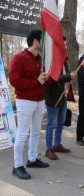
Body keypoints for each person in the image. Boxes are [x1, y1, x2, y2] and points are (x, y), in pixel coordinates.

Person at [9, 30, 51, 180]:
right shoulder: (18, 58)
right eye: (43, 41)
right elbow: (14, 81)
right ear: (35, 41)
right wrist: (37, 82)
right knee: (22, 133)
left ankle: (32, 160)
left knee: (35, 131)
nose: (45, 44)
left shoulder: (41, 59)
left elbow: (44, 80)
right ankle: (17, 166)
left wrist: (46, 80)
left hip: (40, 100)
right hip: (25, 101)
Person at [44, 37, 77, 160]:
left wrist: (70, 76)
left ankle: (57, 144)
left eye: (66, 45)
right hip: (53, 97)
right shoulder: (51, 61)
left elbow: (64, 77)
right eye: (63, 45)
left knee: (60, 122)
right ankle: (49, 148)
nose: (66, 47)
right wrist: (69, 76)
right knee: (51, 124)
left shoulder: (64, 61)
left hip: (63, 96)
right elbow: (52, 79)